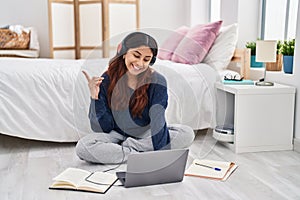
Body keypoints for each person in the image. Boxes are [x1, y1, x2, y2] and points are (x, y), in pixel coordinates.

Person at [76, 32, 195, 164]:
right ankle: (139, 153)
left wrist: (162, 156)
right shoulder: (107, 79)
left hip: (145, 134)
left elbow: (158, 119)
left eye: (146, 59)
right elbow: (101, 128)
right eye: (136, 55)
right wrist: (95, 97)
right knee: (83, 147)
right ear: (124, 52)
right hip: (116, 135)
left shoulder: (157, 81)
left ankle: (127, 151)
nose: (140, 63)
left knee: (187, 133)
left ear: (152, 61)